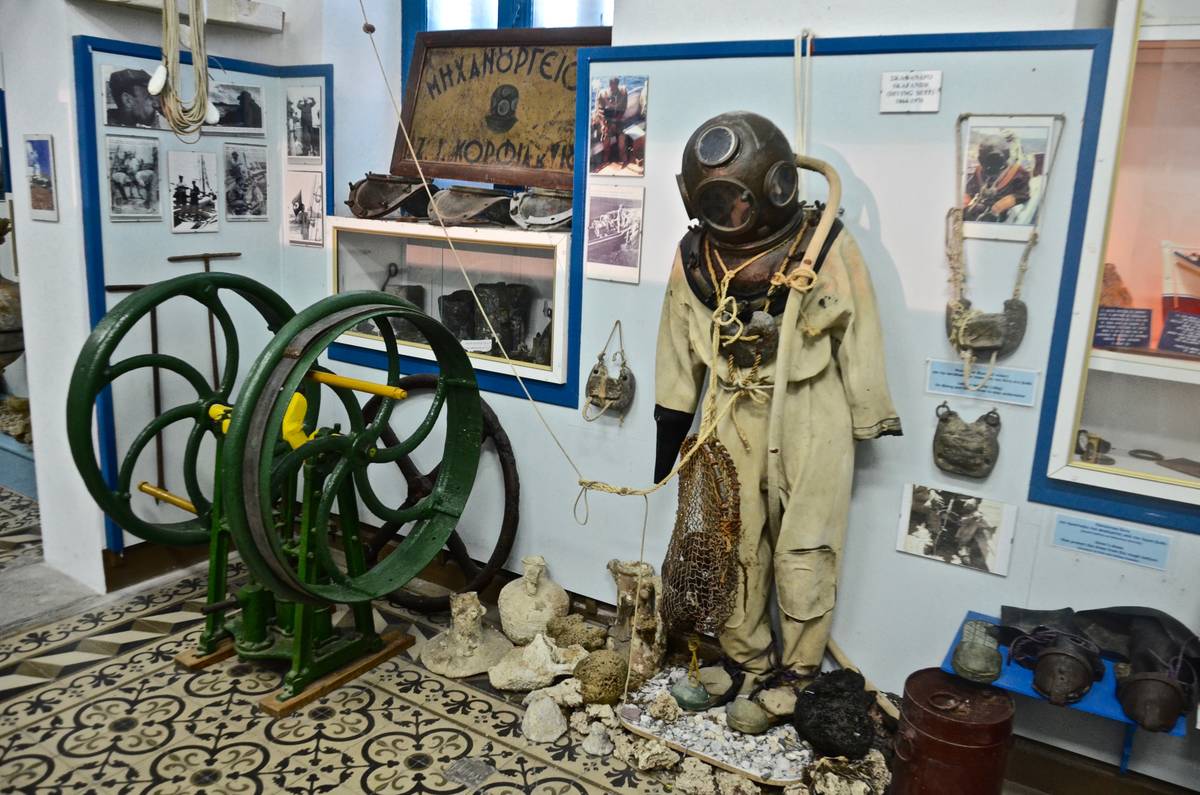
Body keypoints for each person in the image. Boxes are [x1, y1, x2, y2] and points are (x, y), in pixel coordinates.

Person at [656, 112, 901, 683]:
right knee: (730, 539)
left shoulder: (824, 243)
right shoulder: (696, 256)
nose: (732, 217)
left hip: (810, 408)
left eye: (739, 202)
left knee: (806, 543)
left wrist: (870, 412)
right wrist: (670, 427)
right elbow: (675, 342)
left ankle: (798, 672)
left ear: (776, 187)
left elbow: (859, 331)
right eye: (719, 205)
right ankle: (748, 661)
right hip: (728, 408)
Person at [963, 133, 1031, 223]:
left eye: (994, 160)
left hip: (1001, 217)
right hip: (978, 213)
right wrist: (965, 206)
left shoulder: (1017, 172)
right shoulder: (979, 171)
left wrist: (1000, 206)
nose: (991, 166)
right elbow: (969, 191)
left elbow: (1023, 195)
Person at [594, 77, 629, 167]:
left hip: (618, 120)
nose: (613, 87)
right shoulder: (602, 94)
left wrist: (615, 122)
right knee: (606, 138)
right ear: (609, 84)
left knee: (622, 139)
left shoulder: (623, 92)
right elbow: (599, 112)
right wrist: (603, 125)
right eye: (611, 84)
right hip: (606, 121)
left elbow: (623, 109)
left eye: (615, 85)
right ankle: (606, 156)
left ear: (617, 84)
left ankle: (622, 156)